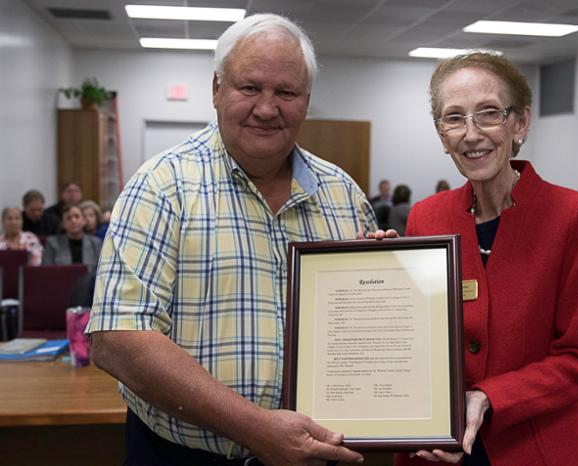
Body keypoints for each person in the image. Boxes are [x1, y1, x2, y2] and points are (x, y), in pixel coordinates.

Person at [86, 14, 373, 466]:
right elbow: (118, 338)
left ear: (307, 101)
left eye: (286, 92)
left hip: (314, 455)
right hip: (181, 457)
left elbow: (365, 329)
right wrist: (257, 429)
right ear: (217, 89)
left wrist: (390, 278)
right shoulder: (162, 186)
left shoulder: (343, 195)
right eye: (250, 87)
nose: (266, 107)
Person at [393, 52, 578, 466]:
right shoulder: (426, 216)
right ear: (441, 136)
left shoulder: (572, 215)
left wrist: (491, 397)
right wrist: (375, 271)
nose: (471, 134)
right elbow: (414, 341)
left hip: (533, 442)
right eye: (454, 118)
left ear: (520, 123)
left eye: (489, 113)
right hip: (441, 445)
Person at [42, 205, 102, 273]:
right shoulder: (52, 243)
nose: (73, 220)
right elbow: (46, 272)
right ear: (63, 224)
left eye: (77, 216)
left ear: (84, 221)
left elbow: (102, 270)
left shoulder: (95, 243)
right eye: (68, 218)